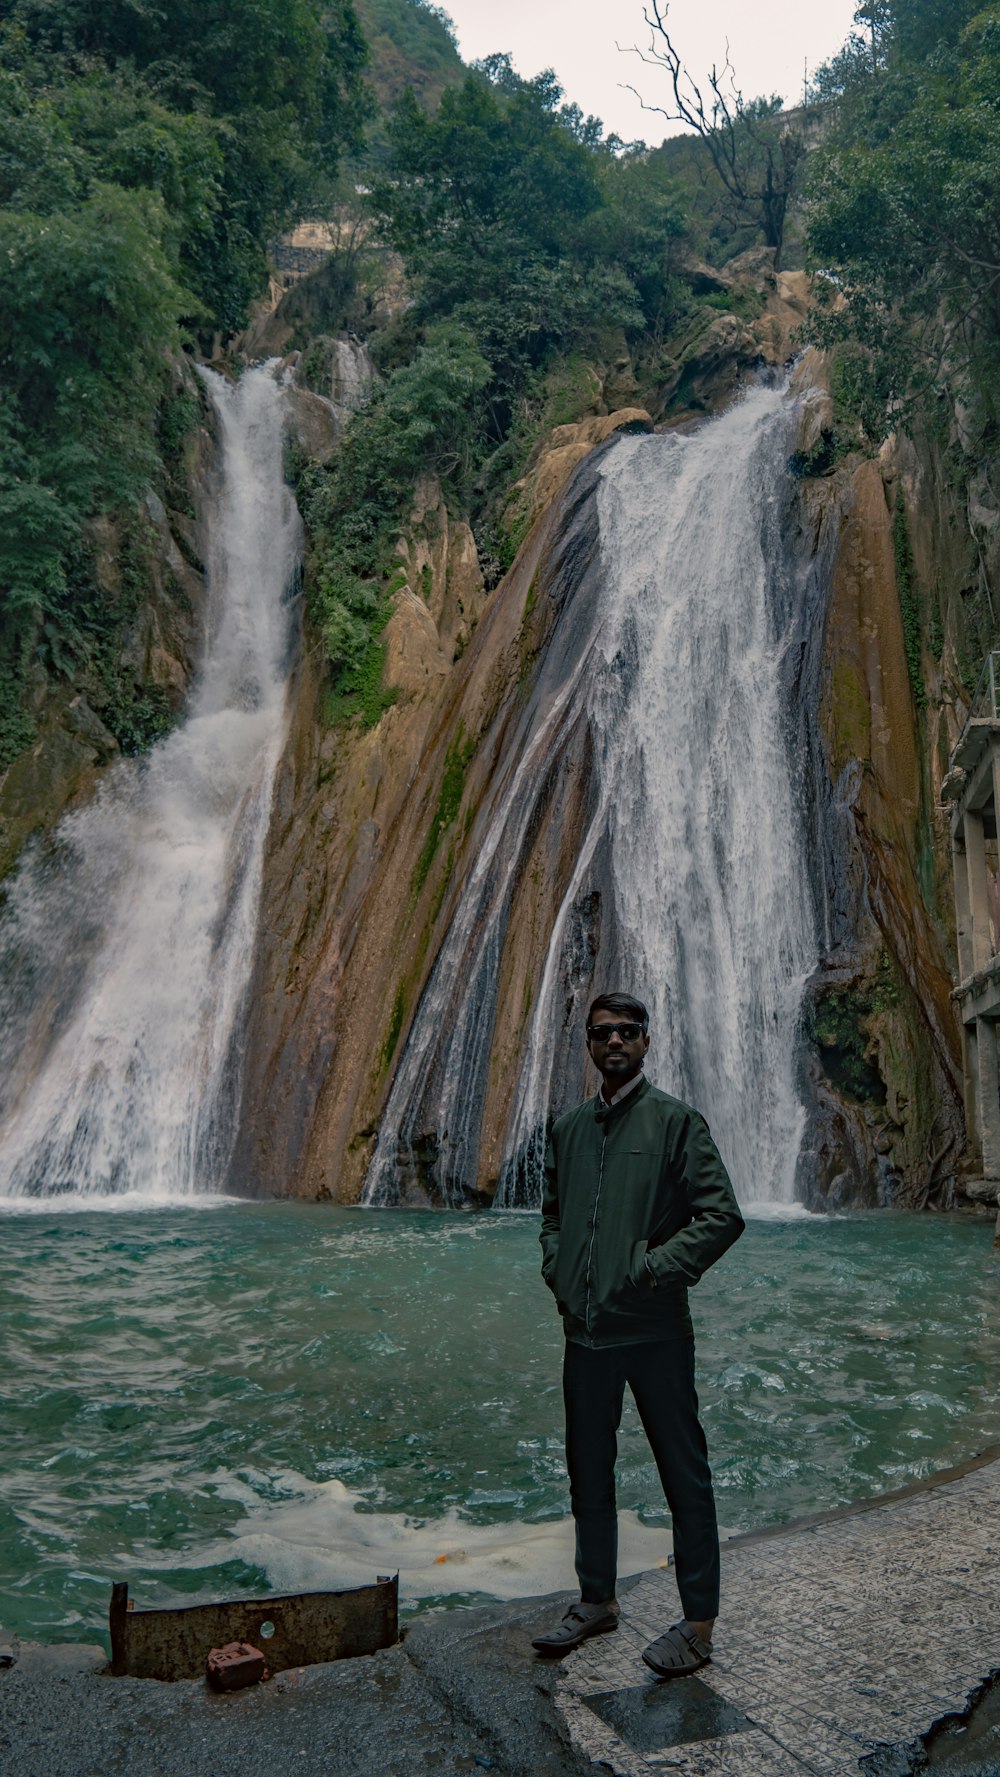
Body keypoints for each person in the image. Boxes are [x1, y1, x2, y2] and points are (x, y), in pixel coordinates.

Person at [532, 991, 745, 1677]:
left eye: (627, 1031)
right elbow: (554, 1215)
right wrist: (557, 1269)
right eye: (602, 1032)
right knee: (587, 1471)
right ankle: (597, 1599)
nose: (615, 1041)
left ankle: (700, 1624)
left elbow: (721, 1216)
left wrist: (653, 1270)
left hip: (654, 1330)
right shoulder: (566, 1129)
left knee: (685, 1475)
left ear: (646, 1041)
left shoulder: (677, 1122)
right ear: (588, 1044)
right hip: (585, 1332)